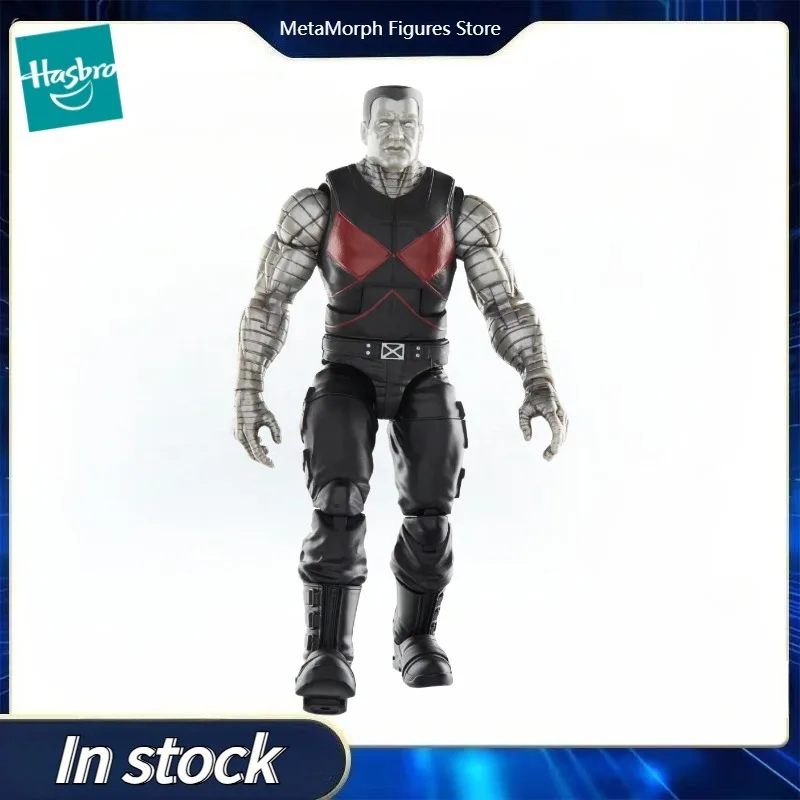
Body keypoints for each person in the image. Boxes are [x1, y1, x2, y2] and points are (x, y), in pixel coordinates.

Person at [233, 85, 568, 714]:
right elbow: (269, 301)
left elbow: (504, 305)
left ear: (422, 127)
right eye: (384, 122)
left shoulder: (463, 210)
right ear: (363, 127)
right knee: (336, 501)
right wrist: (248, 390)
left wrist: (539, 380)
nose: (396, 133)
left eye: (407, 122)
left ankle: (415, 638)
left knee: (433, 511)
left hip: (423, 371)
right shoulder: (317, 206)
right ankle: (326, 652)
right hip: (348, 369)